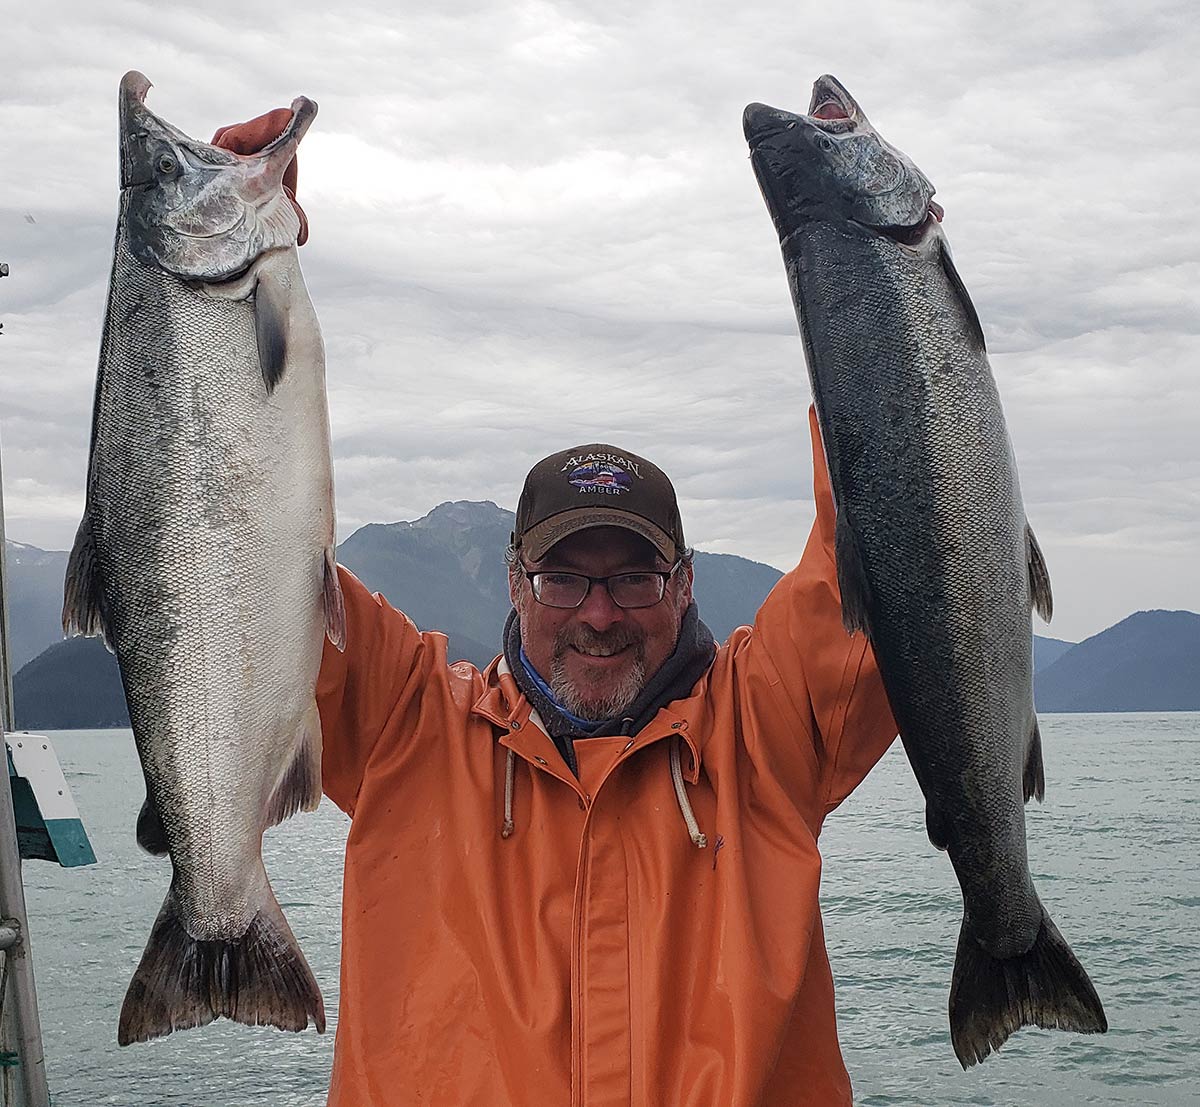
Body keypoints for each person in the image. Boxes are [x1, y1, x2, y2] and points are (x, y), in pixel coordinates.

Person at [217, 113, 899, 1107]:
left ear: (687, 582)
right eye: (563, 578)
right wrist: (231, 279)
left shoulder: (770, 728)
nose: (600, 614)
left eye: (633, 577)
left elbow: (889, 530)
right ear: (512, 581)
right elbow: (250, 554)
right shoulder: (407, 727)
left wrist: (864, 260)